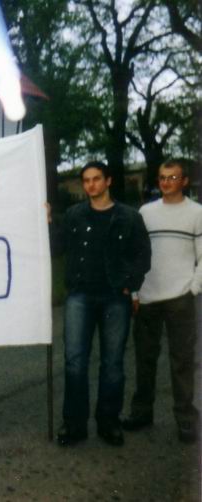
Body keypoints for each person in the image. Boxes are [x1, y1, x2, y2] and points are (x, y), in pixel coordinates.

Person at [57, 161, 151, 447]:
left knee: (112, 363)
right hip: (79, 296)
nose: (91, 185)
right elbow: (55, 247)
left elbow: (142, 255)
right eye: (86, 180)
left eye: (96, 179)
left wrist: (129, 283)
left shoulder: (129, 217)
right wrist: (46, 221)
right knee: (75, 362)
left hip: (114, 297)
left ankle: (109, 422)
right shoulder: (73, 215)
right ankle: (75, 425)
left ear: (108, 181)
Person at [122, 159, 202, 443]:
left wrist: (193, 288)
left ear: (184, 181)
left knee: (182, 361)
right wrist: (134, 291)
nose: (167, 182)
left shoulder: (196, 213)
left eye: (173, 177)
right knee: (144, 360)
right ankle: (142, 413)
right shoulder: (146, 212)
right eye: (162, 178)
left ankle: (186, 419)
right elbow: (134, 253)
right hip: (147, 297)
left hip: (180, 298)